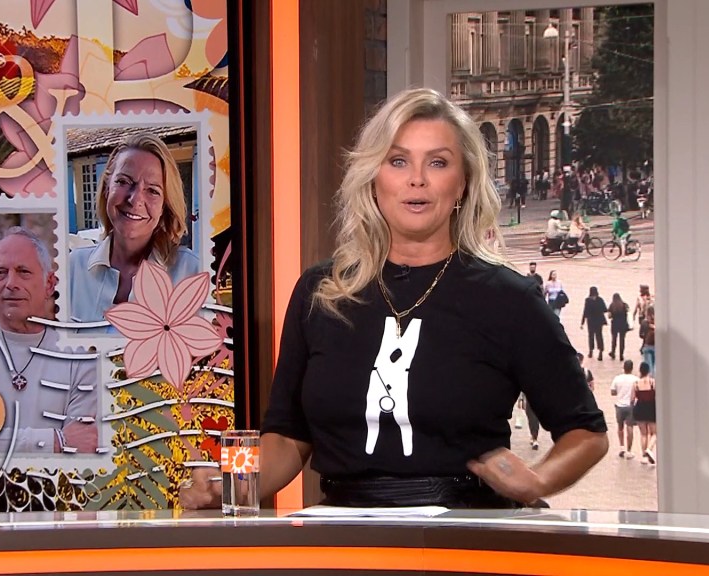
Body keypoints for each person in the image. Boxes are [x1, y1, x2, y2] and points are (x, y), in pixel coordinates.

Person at [180, 88, 607, 510]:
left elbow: (586, 433)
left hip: (465, 528)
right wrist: (229, 483)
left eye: (437, 162)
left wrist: (537, 481)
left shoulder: (509, 299)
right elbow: (289, 437)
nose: (416, 179)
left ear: (462, 184)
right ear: (373, 178)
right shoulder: (321, 292)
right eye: (398, 161)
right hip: (343, 528)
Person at [0, 227, 98, 455]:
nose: (11, 283)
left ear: (49, 284)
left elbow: (82, 446)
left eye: (23, 272)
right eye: (1, 273)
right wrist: (56, 441)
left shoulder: (80, 355)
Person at [67, 132, 202, 324]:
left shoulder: (191, 273)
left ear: (165, 206)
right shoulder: (73, 268)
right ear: (106, 188)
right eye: (123, 182)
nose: (135, 199)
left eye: (153, 190)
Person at [610, 359, 639, 459]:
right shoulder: (636, 379)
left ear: (624, 368)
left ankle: (621, 447)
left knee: (620, 427)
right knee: (630, 427)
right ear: (632, 368)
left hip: (619, 406)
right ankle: (629, 450)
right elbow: (638, 392)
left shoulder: (617, 378)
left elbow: (612, 392)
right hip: (631, 406)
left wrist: (620, 392)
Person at [632, 362, 657, 465]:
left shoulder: (636, 384)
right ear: (648, 371)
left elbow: (632, 399)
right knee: (655, 433)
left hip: (640, 409)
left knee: (643, 434)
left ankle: (644, 457)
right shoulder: (653, 382)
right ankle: (649, 450)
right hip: (651, 408)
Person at [580, 286, 608, 361]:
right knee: (599, 336)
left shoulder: (587, 300)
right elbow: (605, 309)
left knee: (591, 336)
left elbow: (585, 311)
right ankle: (600, 351)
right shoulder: (600, 300)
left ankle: (591, 351)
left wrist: (582, 322)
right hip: (599, 321)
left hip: (590, 321)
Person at [606, 293, 630, 360]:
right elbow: (628, 313)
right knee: (622, 340)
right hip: (623, 324)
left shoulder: (612, 305)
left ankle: (613, 352)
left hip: (615, 324)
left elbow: (609, 316)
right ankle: (621, 355)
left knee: (614, 339)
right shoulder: (624, 305)